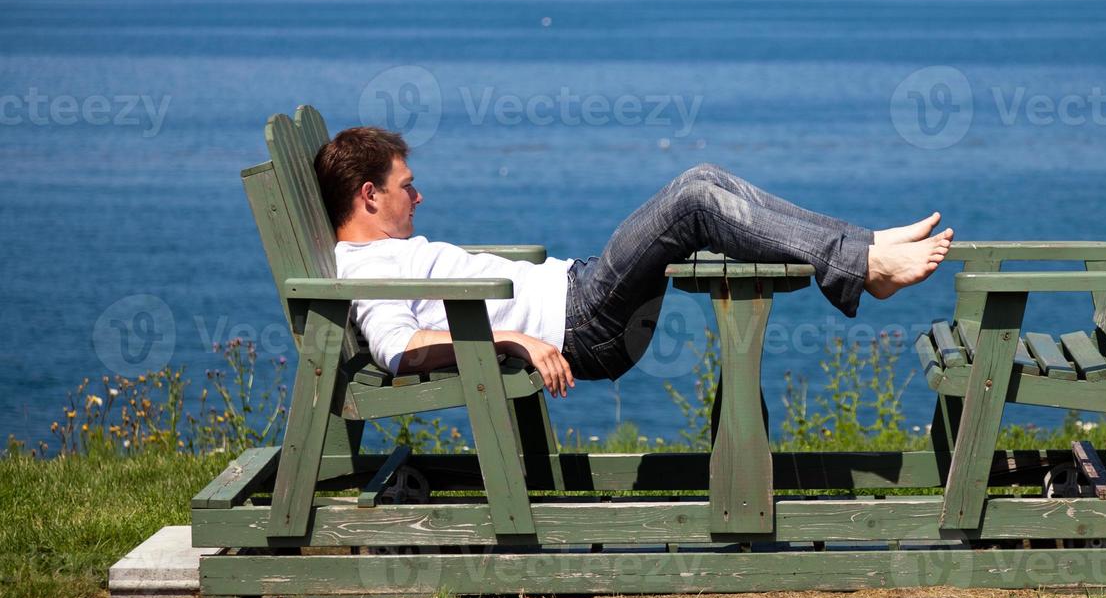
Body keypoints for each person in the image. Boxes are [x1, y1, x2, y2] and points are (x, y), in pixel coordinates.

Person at [316, 127, 953, 399]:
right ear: (368, 195)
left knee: (703, 179)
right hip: (584, 323)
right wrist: (512, 340)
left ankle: (863, 247)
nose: (419, 196)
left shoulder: (389, 250)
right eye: (406, 187)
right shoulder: (364, 269)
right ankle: (862, 261)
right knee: (695, 201)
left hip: (577, 289)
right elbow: (398, 350)